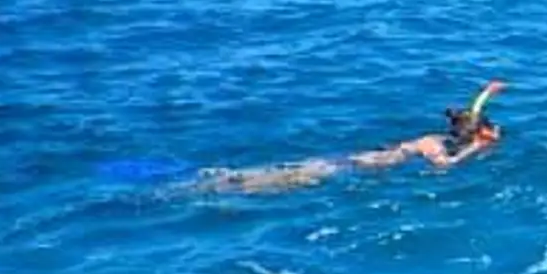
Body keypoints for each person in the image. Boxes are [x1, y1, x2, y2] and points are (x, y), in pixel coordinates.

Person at [191, 81, 506, 194]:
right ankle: (205, 185)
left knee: (270, 181)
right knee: (262, 185)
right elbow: (443, 166)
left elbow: (472, 116)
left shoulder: (449, 135)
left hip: (355, 164)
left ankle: (213, 183)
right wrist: (476, 148)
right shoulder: (432, 143)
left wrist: (485, 94)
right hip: (348, 166)